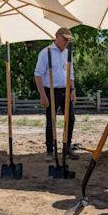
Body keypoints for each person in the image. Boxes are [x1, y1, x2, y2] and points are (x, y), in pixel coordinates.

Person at [34, 27, 78, 160]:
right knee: (51, 121)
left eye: (68, 40)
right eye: (64, 39)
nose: (66, 42)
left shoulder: (68, 53)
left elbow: (70, 73)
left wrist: (73, 90)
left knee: (70, 119)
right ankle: (49, 150)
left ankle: (67, 146)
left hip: (65, 90)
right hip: (50, 91)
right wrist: (43, 95)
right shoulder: (45, 52)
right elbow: (38, 75)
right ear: (56, 37)